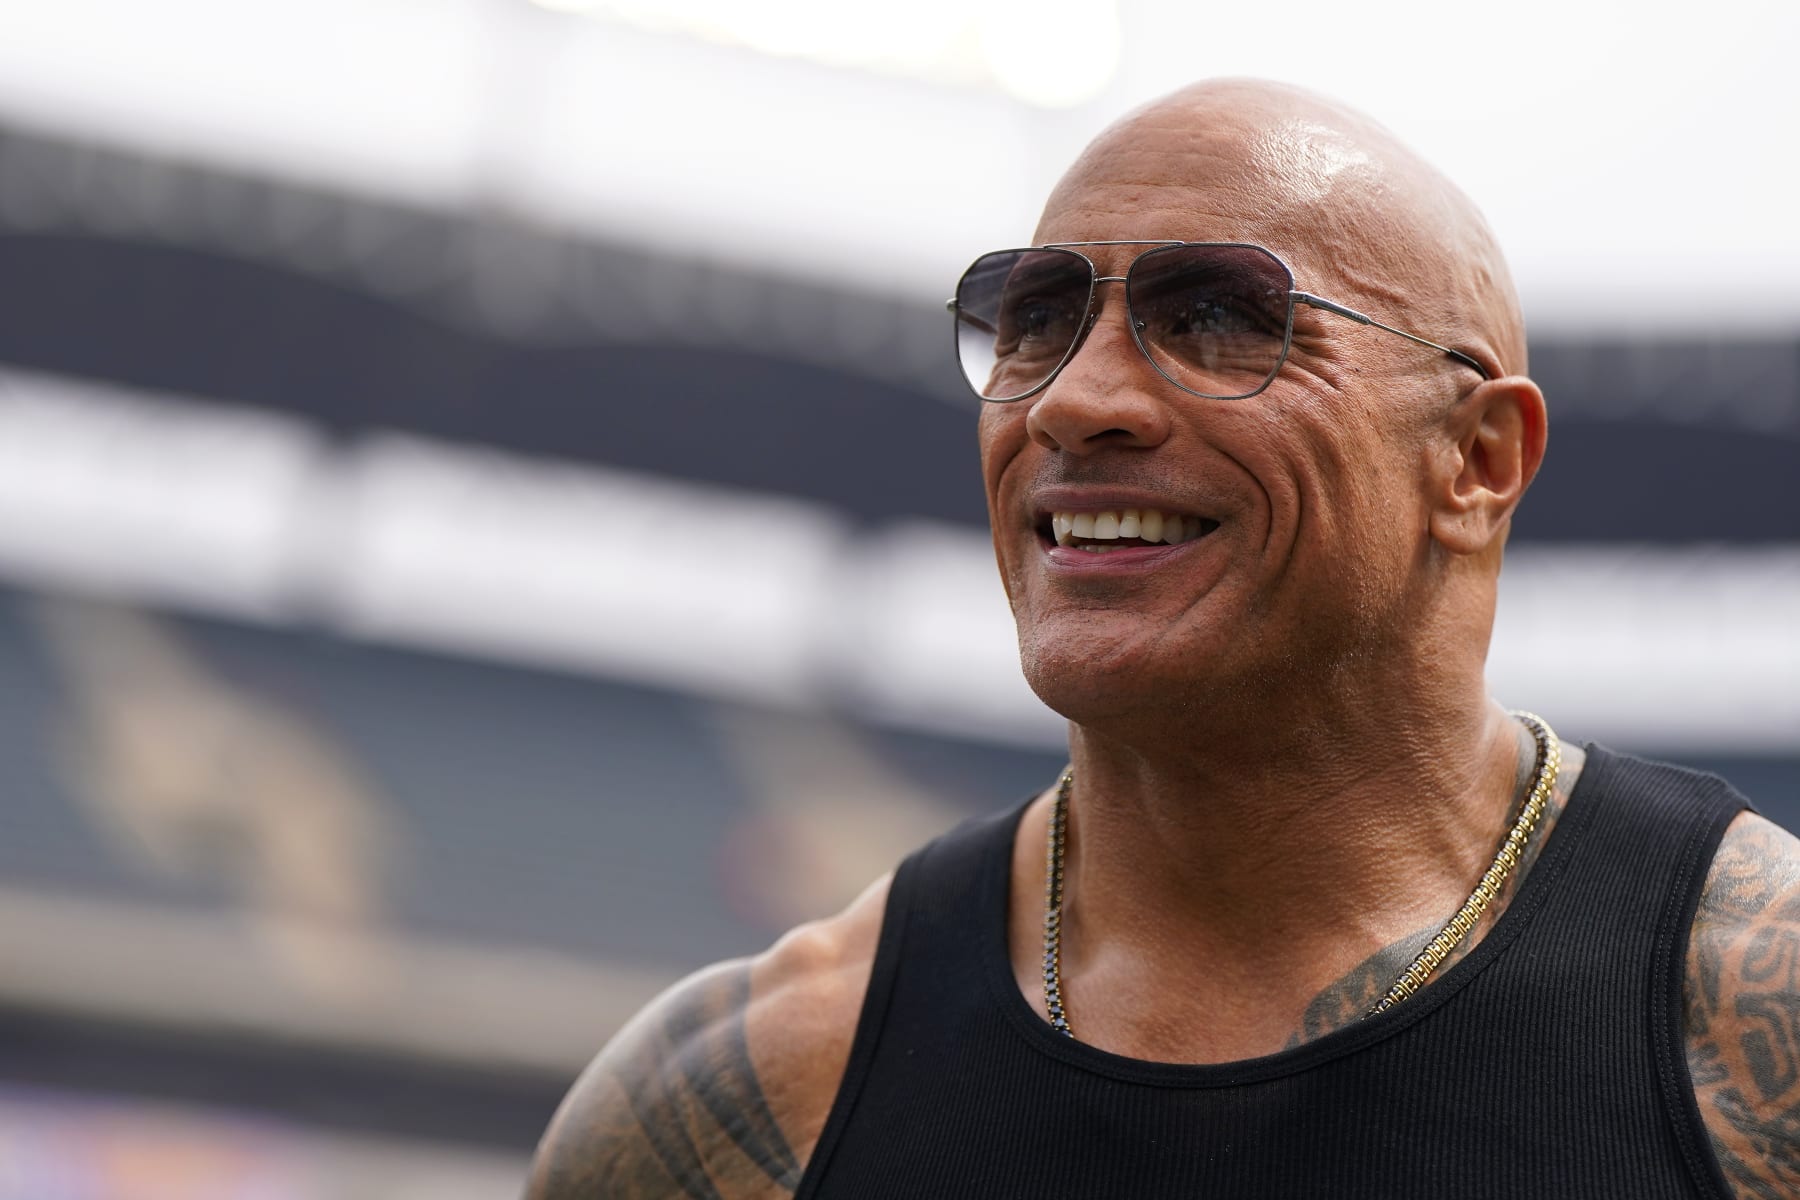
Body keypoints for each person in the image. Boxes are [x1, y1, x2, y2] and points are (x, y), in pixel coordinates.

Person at [524, 79, 1800, 1198]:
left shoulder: (1754, 1016)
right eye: (1033, 319)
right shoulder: (744, 1100)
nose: (1075, 399)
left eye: (1220, 319)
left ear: (1475, 460)